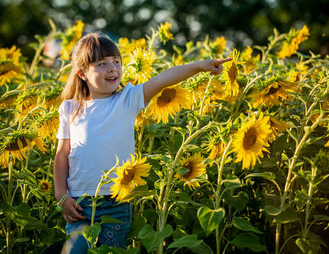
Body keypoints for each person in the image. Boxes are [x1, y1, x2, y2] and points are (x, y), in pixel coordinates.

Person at [54, 32, 231, 253]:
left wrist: (201, 66)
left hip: (115, 201)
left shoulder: (127, 99)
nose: (112, 68)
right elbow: (62, 154)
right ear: (82, 73)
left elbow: (164, 78)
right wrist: (61, 196)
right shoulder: (70, 108)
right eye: (102, 64)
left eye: (116, 62)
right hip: (79, 202)